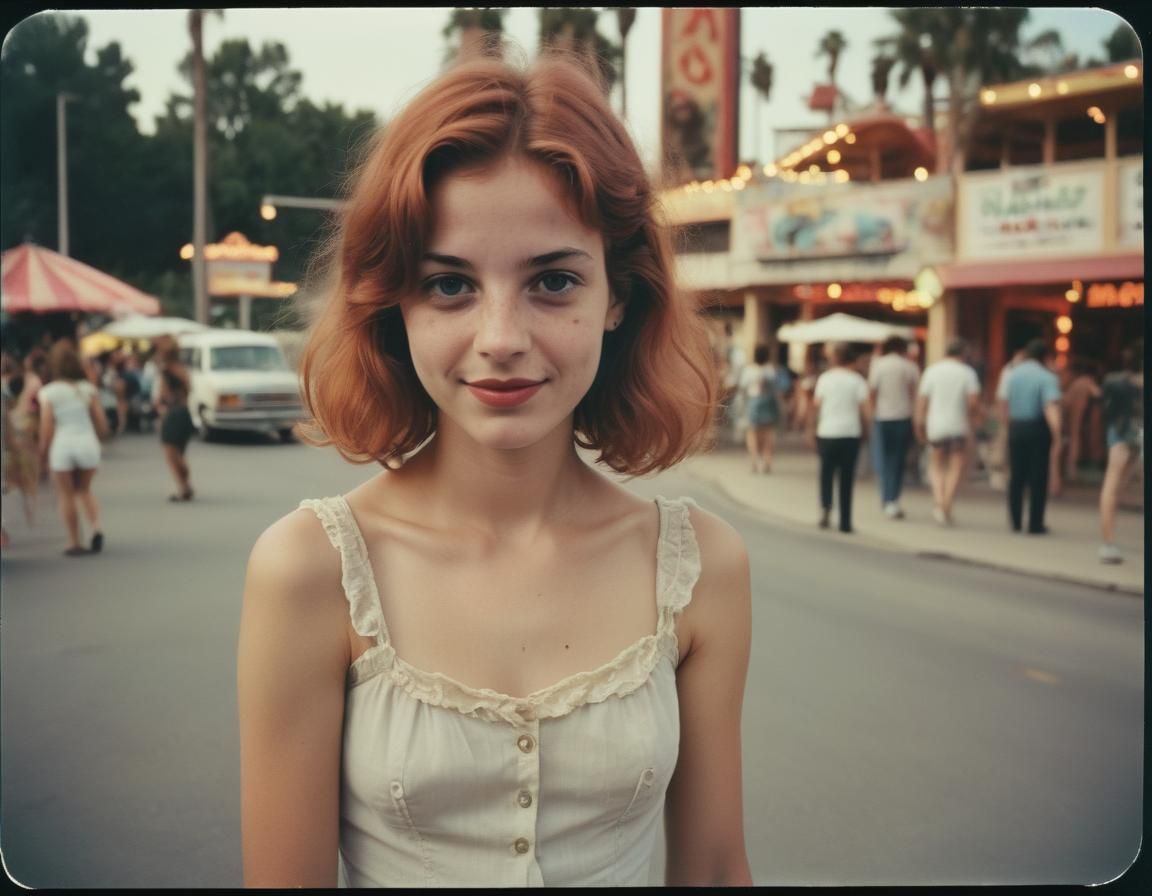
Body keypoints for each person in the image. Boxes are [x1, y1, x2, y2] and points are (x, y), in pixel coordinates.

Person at [237, 54, 753, 889]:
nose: (501, 336)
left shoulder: (701, 568)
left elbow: (718, 866)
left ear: (618, 295)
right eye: (449, 284)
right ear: (393, 301)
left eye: (553, 280)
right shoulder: (311, 569)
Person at [37, 340, 109, 555]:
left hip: (63, 445)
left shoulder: (49, 392)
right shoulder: (88, 389)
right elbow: (102, 424)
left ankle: (74, 541)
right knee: (84, 490)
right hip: (86, 443)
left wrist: (42, 453)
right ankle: (96, 527)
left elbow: (47, 427)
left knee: (66, 495)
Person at [997, 337, 1062, 534]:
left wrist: (1006, 426)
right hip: (1038, 429)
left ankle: (1015, 521)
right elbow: (1050, 406)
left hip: (1016, 426)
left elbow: (1003, 403)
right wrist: (1057, 434)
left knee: (1016, 475)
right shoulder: (1047, 377)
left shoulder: (1013, 374)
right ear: (1045, 356)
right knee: (1037, 476)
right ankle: (1035, 523)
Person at [915, 339, 981, 526]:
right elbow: (973, 402)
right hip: (958, 425)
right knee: (956, 465)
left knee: (936, 465)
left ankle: (938, 500)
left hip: (936, 425)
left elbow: (922, 400)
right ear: (963, 354)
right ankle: (947, 503)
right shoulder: (968, 373)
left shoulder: (932, 371)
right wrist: (974, 419)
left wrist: (919, 421)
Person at [808, 341, 870, 533]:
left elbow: (816, 406)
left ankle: (826, 509)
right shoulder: (858, 381)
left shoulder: (825, 379)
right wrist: (866, 431)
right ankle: (845, 520)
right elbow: (866, 411)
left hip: (827, 431)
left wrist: (811, 429)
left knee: (826, 473)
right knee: (847, 477)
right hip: (850, 433)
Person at [1097, 345, 1143, 563]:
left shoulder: (1115, 382)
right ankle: (1108, 543)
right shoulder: (1123, 383)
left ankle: (1108, 542)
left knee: (1113, 488)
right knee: (1113, 488)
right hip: (1126, 437)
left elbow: (1106, 410)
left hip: (1121, 435)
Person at [868, 335, 919, 519]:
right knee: (898, 460)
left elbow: (872, 392)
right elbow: (915, 395)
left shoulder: (879, 365)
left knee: (885, 458)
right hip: (903, 417)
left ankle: (887, 497)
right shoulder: (910, 367)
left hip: (883, 416)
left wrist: (872, 413)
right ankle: (893, 498)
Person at [9, 347, 49, 523]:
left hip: (20, 418)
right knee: (30, 450)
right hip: (29, 419)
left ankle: (32, 476)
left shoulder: (26, 378)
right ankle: (33, 475)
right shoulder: (35, 380)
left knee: (27, 449)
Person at [155, 342, 196, 501]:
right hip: (185, 412)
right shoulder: (184, 370)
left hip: (172, 414)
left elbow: (162, 395)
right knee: (181, 453)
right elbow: (190, 389)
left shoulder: (166, 372)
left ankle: (182, 487)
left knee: (171, 455)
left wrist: (159, 405)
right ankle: (186, 484)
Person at [739, 343, 783, 473]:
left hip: (753, 402)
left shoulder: (749, 370)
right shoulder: (771, 370)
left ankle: (754, 461)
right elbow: (777, 387)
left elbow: (743, 388)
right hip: (769, 402)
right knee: (768, 432)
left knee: (752, 433)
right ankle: (767, 460)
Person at [1060, 360, 1101, 482]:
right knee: (1075, 437)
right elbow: (1098, 394)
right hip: (1078, 412)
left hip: (1072, 412)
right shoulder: (1087, 381)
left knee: (1072, 438)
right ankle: (1072, 467)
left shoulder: (1077, 383)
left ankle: (1070, 467)